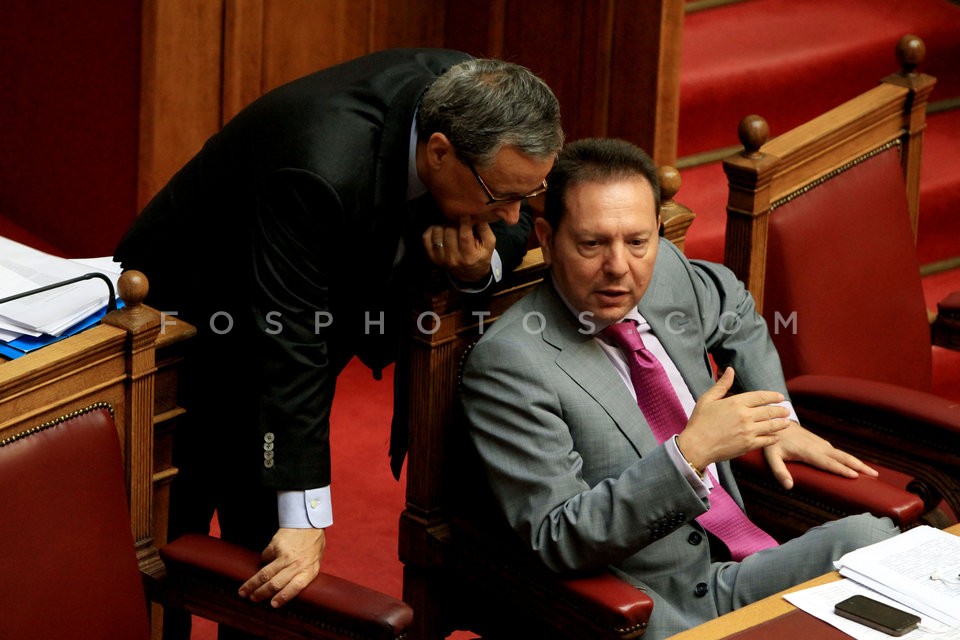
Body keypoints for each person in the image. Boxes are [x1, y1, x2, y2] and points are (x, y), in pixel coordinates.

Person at [114, 47, 563, 635]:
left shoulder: (479, 104)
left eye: (526, 192)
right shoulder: (319, 162)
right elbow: (290, 340)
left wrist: (482, 267)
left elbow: (518, 216)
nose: (511, 216)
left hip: (306, 305)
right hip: (189, 317)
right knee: (175, 537)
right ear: (438, 154)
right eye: (498, 197)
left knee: (259, 554)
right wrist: (304, 514)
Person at [459, 138, 898, 640]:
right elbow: (560, 535)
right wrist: (690, 453)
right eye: (591, 244)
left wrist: (778, 418)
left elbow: (734, 308)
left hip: (746, 569)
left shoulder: (665, 270)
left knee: (881, 543)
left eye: (637, 242)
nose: (619, 266)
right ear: (547, 236)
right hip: (657, 609)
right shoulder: (512, 362)